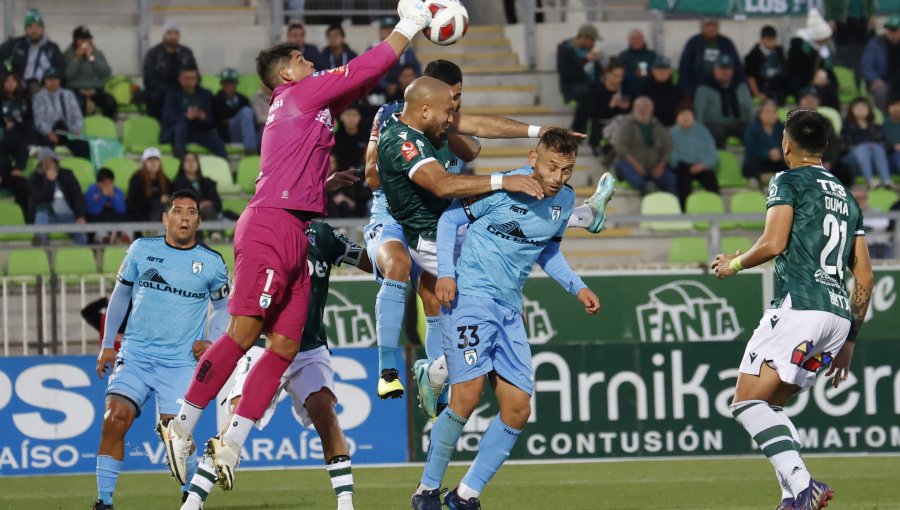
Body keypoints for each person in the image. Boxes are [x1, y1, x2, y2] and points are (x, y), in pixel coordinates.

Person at [157, 2, 434, 492]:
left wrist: (326, 178)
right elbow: (364, 68)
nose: (313, 64)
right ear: (287, 72)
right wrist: (408, 27)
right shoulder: (301, 92)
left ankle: (232, 443)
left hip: (298, 229)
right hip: (270, 226)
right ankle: (179, 425)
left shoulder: (309, 106)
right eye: (304, 59)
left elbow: (359, 85)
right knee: (244, 332)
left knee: (284, 346)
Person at [366, 63, 613, 409]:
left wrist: (543, 130)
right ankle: (404, 369)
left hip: (449, 228)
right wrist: (502, 180)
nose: (454, 115)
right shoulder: (403, 140)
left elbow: (485, 127)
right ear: (425, 107)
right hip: (430, 238)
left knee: (503, 236)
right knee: (499, 226)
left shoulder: (430, 121)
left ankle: (583, 216)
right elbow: (442, 185)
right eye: (450, 106)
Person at [410, 129, 600, 509]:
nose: (557, 177)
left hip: (510, 310)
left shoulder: (564, 200)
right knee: (467, 395)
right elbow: (449, 221)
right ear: (533, 158)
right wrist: (445, 273)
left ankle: (465, 495)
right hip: (470, 298)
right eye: (551, 166)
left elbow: (547, 251)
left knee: (518, 408)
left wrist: (577, 287)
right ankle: (426, 491)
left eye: (567, 170)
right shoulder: (502, 187)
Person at [711, 109, 873, 510]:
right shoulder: (848, 198)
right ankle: (792, 500)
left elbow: (773, 243)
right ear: (824, 146)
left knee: (747, 404)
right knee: (771, 406)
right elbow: (865, 277)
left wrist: (732, 264)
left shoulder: (787, 179)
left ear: (786, 145)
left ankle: (803, 485)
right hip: (836, 319)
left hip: (799, 305)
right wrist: (849, 341)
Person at [180, 221, 372, 510]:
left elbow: (371, 262)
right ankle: (193, 502)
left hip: (309, 347)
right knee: (236, 419)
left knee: (325, 411)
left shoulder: (322, 235)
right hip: (264, 345)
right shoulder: (262, 230)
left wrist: (394, 254)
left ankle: (346, 505)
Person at [93, 189, 229, 510]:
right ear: (165, 218)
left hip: (181, 363)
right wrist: (106, 345)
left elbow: (224, 308)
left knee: (176, 439)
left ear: (198, 219)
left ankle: (190, 495)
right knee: (114, 419)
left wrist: (213, 340)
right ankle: (103, 502)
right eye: (178, 211)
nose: (184, 217)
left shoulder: (211, 262)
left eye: (191, 212)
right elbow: (120, 296)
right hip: (136, 356)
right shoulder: (141, 250)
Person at [612, 96, 676, 195]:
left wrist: (660, 166)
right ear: (634, 108)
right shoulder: (627, 125)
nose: (642, 109)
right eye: (639, 106)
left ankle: (670, 207)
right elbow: (620, 146)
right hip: (630, 165)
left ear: (652, 109)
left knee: (671, 180)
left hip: (654, 166)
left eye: (646, 106)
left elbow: (668, 147)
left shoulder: (658, 126)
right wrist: (636, 165)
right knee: (639, 182)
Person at [161, 66, 227, 158]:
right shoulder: (172, 95)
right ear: (180, 79)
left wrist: (203, 117)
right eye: (187, 78)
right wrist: (186, 117)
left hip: (199, 130)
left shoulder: (205, 94)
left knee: (217, 142)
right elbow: (168, 118)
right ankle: (181, 159)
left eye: (193, 78)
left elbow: (212, 119)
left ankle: (224, 168)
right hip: (178, 132)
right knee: (181, 126)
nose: (190, 81)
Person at [28, 148, 87, 245]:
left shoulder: (67, 174)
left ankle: (83, 256)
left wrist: (80, 215)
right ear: (41, 164)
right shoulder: (34, 178)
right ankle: (39, 240)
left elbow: (77, 195)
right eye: (46, 163)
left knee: (82, 237)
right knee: (42, 211)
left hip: (68, 215)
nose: (50, 166)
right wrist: (49, 181)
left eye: (52, 162)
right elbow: (39, 200)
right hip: (47, 216)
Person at [694, 54, 754, 148]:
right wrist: (698, 134)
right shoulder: (705, 87)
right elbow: (700, 112)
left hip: (737, 123)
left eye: (728, 68)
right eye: (721, 68)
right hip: (714, 124)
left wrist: (755, 127)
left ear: (732, 70)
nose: (724, 72)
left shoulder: (740, 86)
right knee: (717, 134)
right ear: (714, 69)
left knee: (751, 132)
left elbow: (748, 108)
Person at [0, 9, 64, 94]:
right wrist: (8, 77)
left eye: (38, 27)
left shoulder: (52, 48)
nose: (34, 30)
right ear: (25, 29)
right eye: (30, 27)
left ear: (42, 29)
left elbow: (60, 70)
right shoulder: (16, 45)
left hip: (44, 90)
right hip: (19, 90)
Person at [142, 21, 198, 120]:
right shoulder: (153, 53)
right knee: (156, 97)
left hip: (183, 88)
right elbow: (149, 78)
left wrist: (189, 84)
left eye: (175, 33)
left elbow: (195, 72)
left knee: (204, 94)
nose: (173, 36)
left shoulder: (186, 52)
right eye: (169, 33)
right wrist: (168, 89)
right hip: (161, 89)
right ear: (164, 35)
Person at [31, 66, 90, 159]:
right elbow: (39, 121)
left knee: (82, 145)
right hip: (49, 133)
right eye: (49, 79)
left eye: (55, 78)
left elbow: (77, 115)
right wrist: (48, 133)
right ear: (44, 81)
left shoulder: (68, 94)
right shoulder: (38, 97)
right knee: (45, 147)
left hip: (68, 132)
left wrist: (76, 129)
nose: (53, 81)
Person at [669, 103, 719, 209]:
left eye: (688, 115)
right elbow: (671, 155)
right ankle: (684, 212)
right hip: (682, 167)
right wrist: (686, 167)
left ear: (693, 117)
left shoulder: (703, 131)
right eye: (682, 115)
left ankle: (717, 210)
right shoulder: (671, 134)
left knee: (711, 178)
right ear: (677, 118)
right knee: (682, 182)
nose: (685, 118)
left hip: (701, 166)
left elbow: (712, 152)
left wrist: (704, 165)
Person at [787, 9, 840, 109]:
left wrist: (829, 81)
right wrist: (812, 81)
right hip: (802, 83)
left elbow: (828, 70)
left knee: (831, 91)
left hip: (819, 84)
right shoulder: (798, 47)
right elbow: (794, 72)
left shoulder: (822, 49)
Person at [678, 18, 743, 97]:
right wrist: (689, 88)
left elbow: (737, 66)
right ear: (701, 27)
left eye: (714, 25)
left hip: (723, 88)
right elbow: (684, 67)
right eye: (708, 25)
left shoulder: (726, 43)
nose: (711, 28)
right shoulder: (693, 43)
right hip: (698, 88)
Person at [63, 25, 116, 118]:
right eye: (81, 40)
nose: (85, 43)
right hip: (77, 91)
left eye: (87, 39)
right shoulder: (68, 54)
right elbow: (66, 75)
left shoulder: (96, 53)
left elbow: (106, 72)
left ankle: (106, 127)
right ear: (75, 41)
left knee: (110, 102)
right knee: (79, 104)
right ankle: (80, 130)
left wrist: (91, 58)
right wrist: (76, 59)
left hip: (95, 90)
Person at [579, 58, 632, 151]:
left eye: (621, 76)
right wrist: (610, 106)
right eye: (616, 76)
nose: (619, 79)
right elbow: (592, 114)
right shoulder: (596, 90)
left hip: (621, 127)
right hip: (601, 128)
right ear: (607, 74)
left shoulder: (625, 90)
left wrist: (626, 107)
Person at [558, 24, 602, 132]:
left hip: (590, 86)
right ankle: (576, 129)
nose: (593, 44)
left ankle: (594, 136)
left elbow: (596, 72)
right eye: (592, 40)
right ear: (584, 38)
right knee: (587, 95)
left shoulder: (589, 50)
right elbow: (567, 73)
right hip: (572, 87)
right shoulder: (565, 49)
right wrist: (586, 59)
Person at [841, 96, 892, 188]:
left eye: (864, 107)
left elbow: (886, 145)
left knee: (877, 147)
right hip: (852, 159)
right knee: (863, 148)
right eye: (857, 107)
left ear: (869, 110)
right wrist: (865, 146)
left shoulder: (876, 127)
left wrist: (873, 146)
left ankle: (886, 180)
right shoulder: (846, 127)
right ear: (851, 110)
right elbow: (844, 146)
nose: (861, 109)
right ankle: (869, 180)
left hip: (874, 158)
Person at [0, 72, 31, 214]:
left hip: (5, 170)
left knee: (22, 184)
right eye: (8, 80)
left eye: (14, 80)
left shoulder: (24, 100)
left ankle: (26, 221)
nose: (11, 83)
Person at [825, 0, 875, 85]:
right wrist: (830, 18)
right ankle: (845, 84)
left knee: (862, 54)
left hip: (861, 20)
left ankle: (861, 84)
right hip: (842, 19)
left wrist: (871, 15)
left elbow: (870, 2)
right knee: (842, 54)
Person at [212, 67, 258, 155]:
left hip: (244, 131)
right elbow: (218, 119)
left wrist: (231, 118)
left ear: (236, 84)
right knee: (246, 112)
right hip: (227, 133)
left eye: (232, 83)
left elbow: (250, 119)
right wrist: (237, 118)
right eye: (227, 83)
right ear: (222, 84)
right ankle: (251, 151)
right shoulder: (216, 100)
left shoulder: (243, 99)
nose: (230, 85)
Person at [861, 15, 900, 114]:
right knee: (881, 92)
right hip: (883, 81)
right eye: (888, 29)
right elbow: (867, 66)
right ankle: (885, 119)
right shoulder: (875, 44)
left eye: (894, 30)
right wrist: (874, 79)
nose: (889, 33)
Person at [376, 17, 421, 101]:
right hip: (380, 91)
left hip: (402, 90)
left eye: (392, 28)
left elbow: (416, 71)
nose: (389, 31)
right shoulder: (373, 49)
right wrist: (386, 86)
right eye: (386, 29)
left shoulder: (408, 50)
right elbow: (372, 72)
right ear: (380, 32)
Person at [743, 100, 786, 189]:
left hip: (777, 160)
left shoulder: (782, 127)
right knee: (752, 162)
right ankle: (754, 183)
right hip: (760, 160)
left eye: (773, 112)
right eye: (767, 112)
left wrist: (779, 153)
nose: (771, 115)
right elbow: (751, 147)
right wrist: (767, 154)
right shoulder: (752, 128)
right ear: (760, 114)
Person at [172, 152, 222, 221]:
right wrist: (198, 206)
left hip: (208, 213)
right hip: (187, 216)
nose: (191, 163)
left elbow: (218, 203)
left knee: (209, 210)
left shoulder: (208, 182)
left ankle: (214, 232)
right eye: (187, 161)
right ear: (182, 164)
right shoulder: (176, 184)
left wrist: (209, 203)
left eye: (193, 160)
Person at [744, 25, 786, 105]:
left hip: (777, 87)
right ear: (762, 39)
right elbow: (751, 77)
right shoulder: (752, 55)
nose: (772, 42)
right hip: (761, 88)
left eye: (774, 39)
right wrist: (758, 94)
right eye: (769, 40)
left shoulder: (779, 51)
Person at [128, 147, 171, 221]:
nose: (153, 163)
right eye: (150, 160)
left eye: (156, 160)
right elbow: (136, 201)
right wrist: (158, 199)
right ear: (144, 163)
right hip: (141, 214)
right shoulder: (137, 178)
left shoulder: (164, 179)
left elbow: (172, 192)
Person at [639, 55, 679, 127]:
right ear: (653, 71)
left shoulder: (677, 91)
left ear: (670, 71)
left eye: (665, 68)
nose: (662, 71)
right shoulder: (644, 91)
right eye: (659, 68)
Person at [618, 29, 657, 96]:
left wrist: (649, 73)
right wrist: (634, 75)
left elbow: (658, 73)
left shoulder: (652, 55)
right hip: (629, 93)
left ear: (643, 39)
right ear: (629, 40)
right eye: (634, 38)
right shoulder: (623, 56)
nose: (637, 41)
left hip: (650, 93)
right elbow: (619, 76)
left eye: (639, 38)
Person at [883, 96, 900, 175]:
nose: (897, 109)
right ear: (888, 108)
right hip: (889, 159)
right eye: (894, 105)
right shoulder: (884, 124)